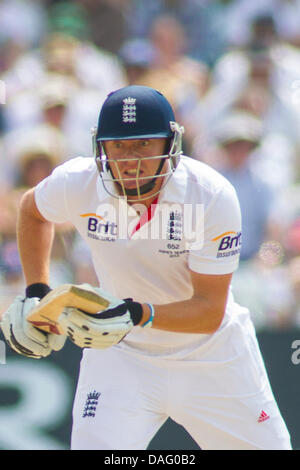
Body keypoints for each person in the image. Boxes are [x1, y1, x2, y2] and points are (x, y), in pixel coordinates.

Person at [0, 85, 291, 450]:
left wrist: (133, 313)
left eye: (143, 144)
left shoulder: (209, 194)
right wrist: (37, 294)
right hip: (121, 355)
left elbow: (209, 311)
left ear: (170, 145)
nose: (130, 161)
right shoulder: (79, 182)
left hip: (213, 355)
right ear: (100, 147)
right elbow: (32, 209)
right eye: (118, 146)